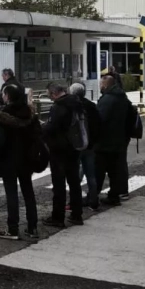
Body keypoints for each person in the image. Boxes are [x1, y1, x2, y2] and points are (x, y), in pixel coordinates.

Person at [0, 85, 40, 240]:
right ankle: (32, 227)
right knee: (28, 192)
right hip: (27, 159)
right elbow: (38, 136)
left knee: (11, 193)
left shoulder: (3, 116)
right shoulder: (30, 114)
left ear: (8, 96)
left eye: (4, 94)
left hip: (9, 159)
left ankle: (13, 228)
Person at [42, 82, 85, 227]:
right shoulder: (76, 103)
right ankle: (77, 214)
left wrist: (43, 128)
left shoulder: (59, 107)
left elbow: (52, 128)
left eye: (49, 94)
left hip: (59, 150)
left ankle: (57, 217)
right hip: (74, 147)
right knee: (74, 183)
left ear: (54, 93)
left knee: (59, 185)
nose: (49, 97)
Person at [95, 74, 131, 208]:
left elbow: (99, 120)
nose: (100, 86)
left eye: (101, 84)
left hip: (105, 142)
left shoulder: (107, 99)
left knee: (98, 170)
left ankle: (93, 196)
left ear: (105, 85)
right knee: (115, 171)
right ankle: (114, 196)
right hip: (120, 140)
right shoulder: (123, 98)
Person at [70, 83, 102, 208]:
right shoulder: (91, 106)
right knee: (90, 175)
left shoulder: (72, 106)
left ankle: (74, 201)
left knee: (74, 175)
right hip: (89, 145)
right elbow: (98, 125)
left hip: (76, 146)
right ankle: (93, 201)